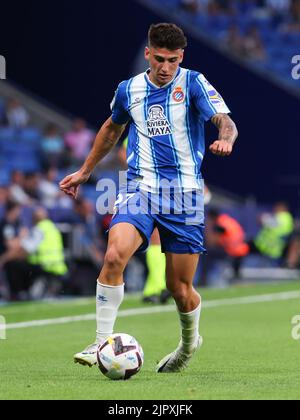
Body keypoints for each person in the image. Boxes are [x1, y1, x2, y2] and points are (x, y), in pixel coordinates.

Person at [60, 23, 238, 372]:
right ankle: (100, 341)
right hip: (140, 188)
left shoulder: (193, 83)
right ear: (148, 53)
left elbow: (225, 121)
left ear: (181, 57)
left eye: (173, 60)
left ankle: (187, 346)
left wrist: (226, 138)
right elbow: (112, 128)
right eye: (159, 59)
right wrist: (85, 171)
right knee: (114, 255)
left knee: (179, 288)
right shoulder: (129, 90)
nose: (165, 67)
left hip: (184, 195)